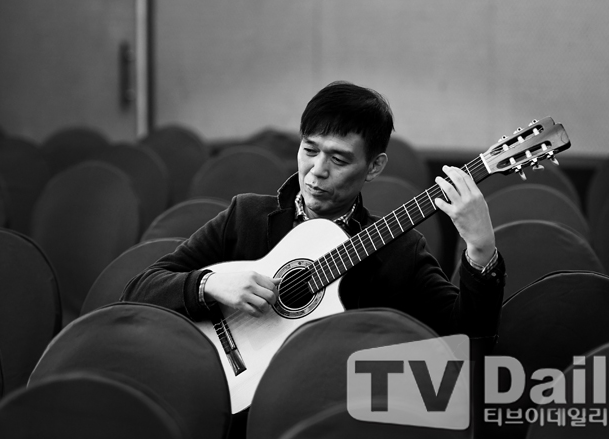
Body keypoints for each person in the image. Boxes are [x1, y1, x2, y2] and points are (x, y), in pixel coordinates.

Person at [122, 80, 505, 433]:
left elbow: (468, 339)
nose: (317, 171)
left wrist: (480, 250)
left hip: (329, 418)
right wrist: (210, 283)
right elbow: (139, 291)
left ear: (374, 167)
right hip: (227, 410)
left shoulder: (400, 250)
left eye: (339, 160)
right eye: (309, 150)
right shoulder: (246, 218)